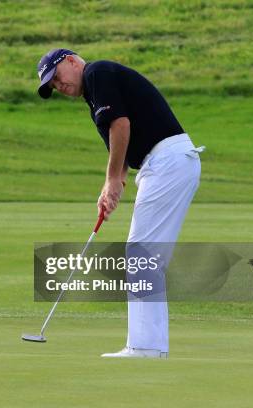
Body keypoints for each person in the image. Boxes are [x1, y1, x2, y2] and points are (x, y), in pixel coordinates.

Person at [36, 48, 205, 358]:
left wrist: (112, 179)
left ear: (71, 61)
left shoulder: (97, 73)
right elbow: (122, 145)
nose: (59, 87)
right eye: (53, 86)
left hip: (167, 162)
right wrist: (113, 187)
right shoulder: (95, 93)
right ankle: (150, 345)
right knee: (145, 255)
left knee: (141, 254)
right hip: (167, 163)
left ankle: (146, 346)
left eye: (57, 78)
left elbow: (121, 125)